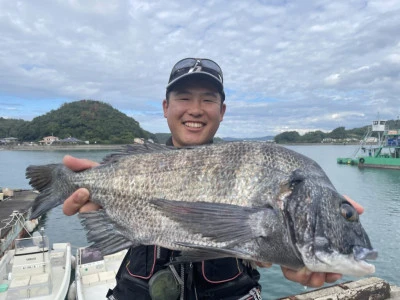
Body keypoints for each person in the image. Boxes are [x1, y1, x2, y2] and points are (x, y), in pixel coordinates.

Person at [62, 58, 364, 299]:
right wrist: (94, 186)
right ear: (166, 107)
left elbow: (258, 250)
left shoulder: (257, 171)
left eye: (208, 100)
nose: (195, 109)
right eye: (183, 98)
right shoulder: (137, 163)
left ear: (222, 111)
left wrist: (293, 258)